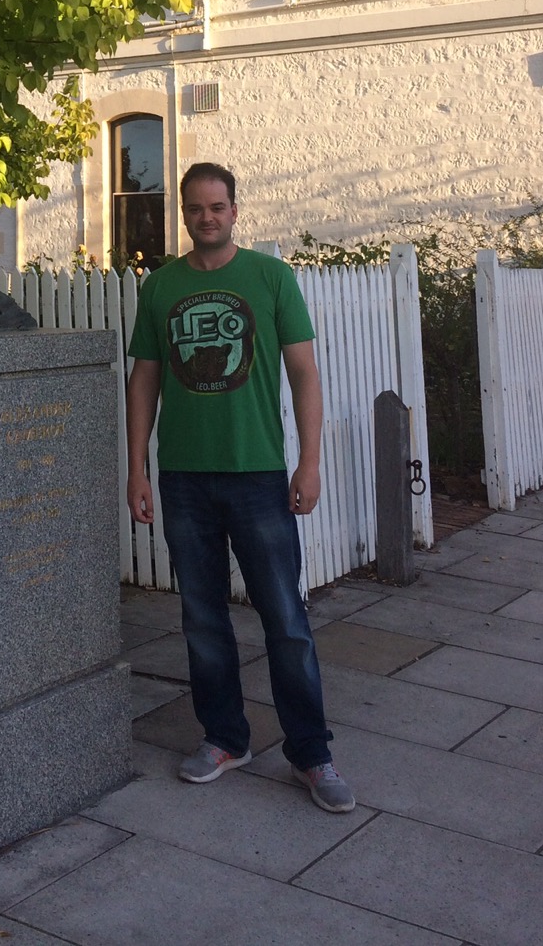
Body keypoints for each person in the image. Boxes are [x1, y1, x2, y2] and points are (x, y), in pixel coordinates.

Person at [125, 162, 355, 813]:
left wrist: (309, 463)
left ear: (234, 210)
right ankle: (226, 738)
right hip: (186, 479)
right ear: (184, 213)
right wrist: (136, 468)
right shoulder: (161, 287)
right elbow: (144, 379)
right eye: (196, 209)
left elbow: (305, 372)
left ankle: (311, 753)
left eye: (217, 207)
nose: (207, 218)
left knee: (285, 620)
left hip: (258, 474)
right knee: (202, 620)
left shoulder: (270, 277)